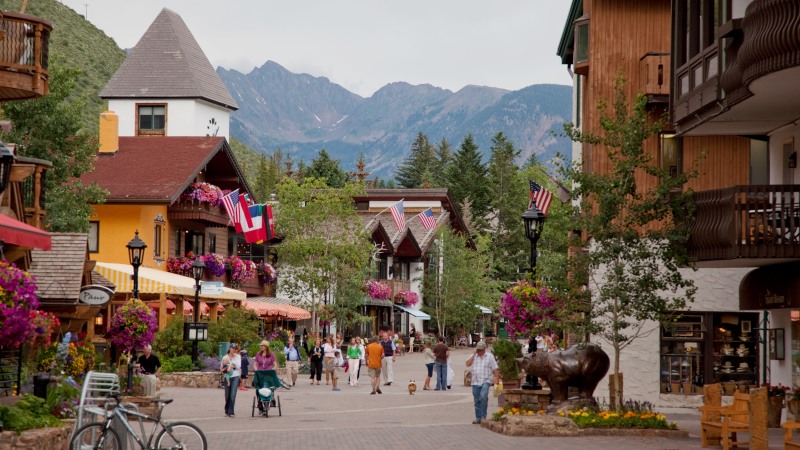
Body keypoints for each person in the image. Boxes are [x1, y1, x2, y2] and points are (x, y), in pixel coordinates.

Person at [466, 341, 499, 424]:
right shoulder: (474, 356)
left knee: (483, 396)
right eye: (478, 350)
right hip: (475, 381)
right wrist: (473, 355)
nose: (479, 351)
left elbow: (495, 368)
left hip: (486, 380)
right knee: (477, 400)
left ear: (484, 349)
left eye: (481, 350)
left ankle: (483, 416)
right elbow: (467, 364)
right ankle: (478, 417)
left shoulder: (489, 357)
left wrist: (497, 378)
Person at [222, 343, 242, 417]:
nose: (233, 350)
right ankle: (227, 409)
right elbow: (222, 367)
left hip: (235, 376)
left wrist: (232, 362)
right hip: (227, 377)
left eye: (235, 348)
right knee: (227, 395)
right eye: (232, 348)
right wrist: (228, 367)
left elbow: (238, 366)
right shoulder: (225, 357)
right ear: (229, 349)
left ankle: (231, 411)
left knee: (233, 394)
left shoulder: (238, 357)